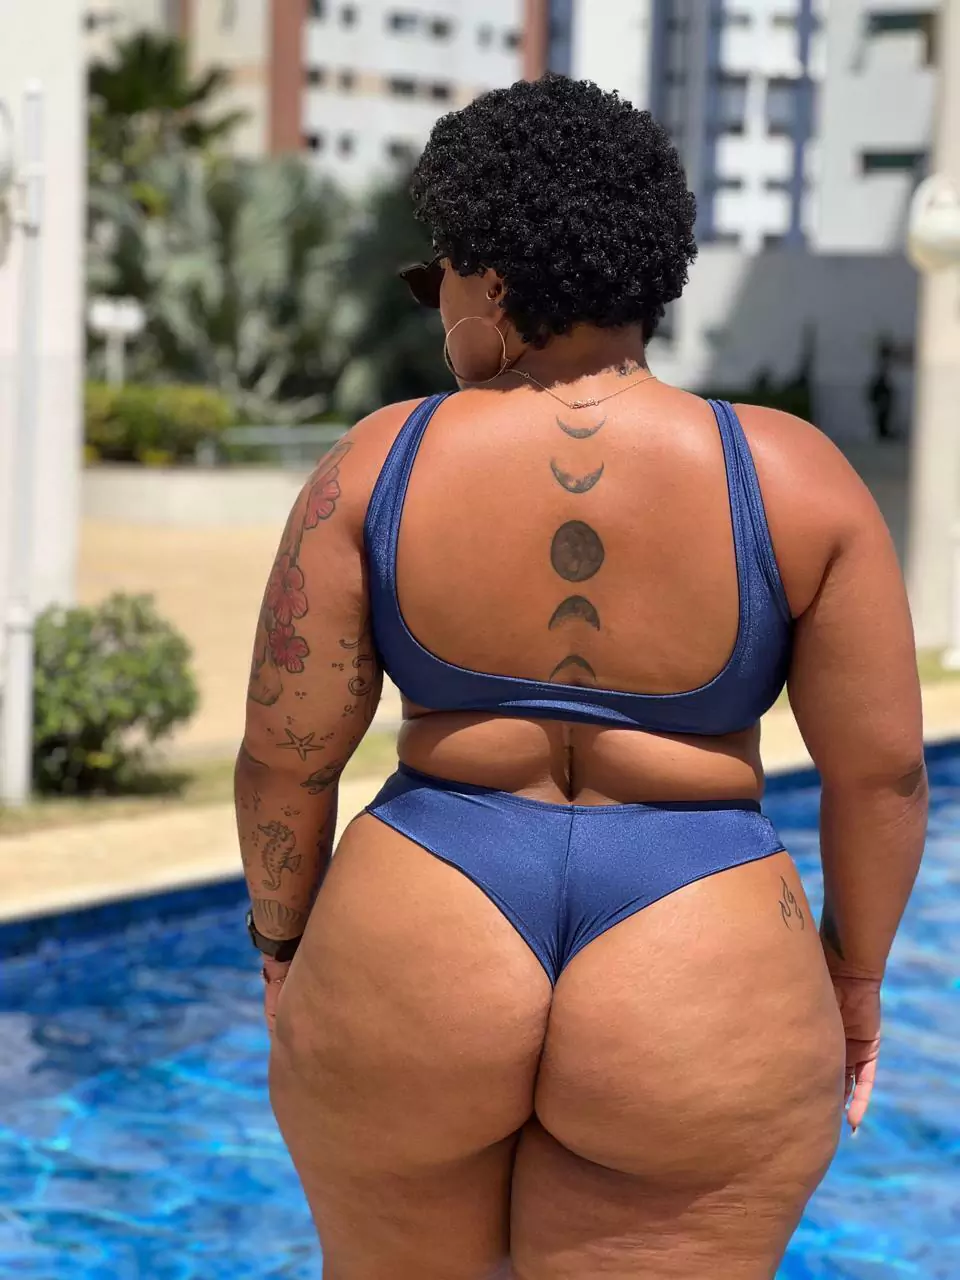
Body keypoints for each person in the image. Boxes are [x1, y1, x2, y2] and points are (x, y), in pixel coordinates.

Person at [235, 76, 927, 1279]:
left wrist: (286, 946)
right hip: (699, 953)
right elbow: (885, 776)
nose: (438, 308)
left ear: (493, 282)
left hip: (419, 932)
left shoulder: (377, 462)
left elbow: (285, 758)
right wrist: (853, 980)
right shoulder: (795, 475)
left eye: (438, 279)